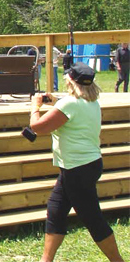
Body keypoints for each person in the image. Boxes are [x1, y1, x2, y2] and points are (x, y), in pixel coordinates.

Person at [29, 63, 124, 262]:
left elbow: (37, 127)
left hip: (77, 169)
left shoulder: (69, 104)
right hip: (83, 166)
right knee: (56, 210)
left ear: (70, 80)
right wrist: (56, 102)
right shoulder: (91, 102)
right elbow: (69, 112)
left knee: (93, 219)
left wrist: (35, 106)